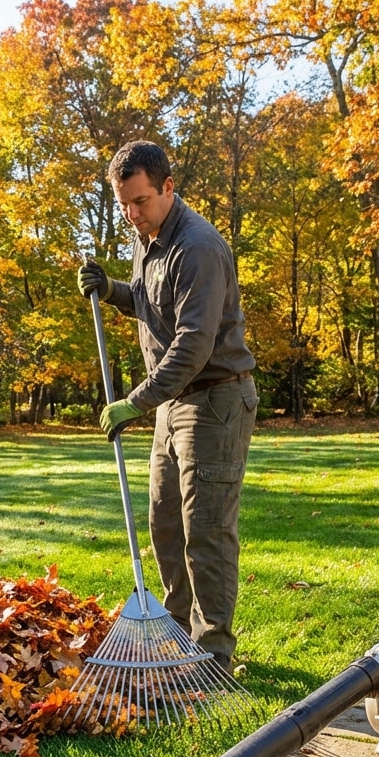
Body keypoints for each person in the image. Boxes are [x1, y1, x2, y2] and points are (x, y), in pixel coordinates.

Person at [77, 140, 257, 674]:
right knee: (165, 524)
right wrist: (112, 289)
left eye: (141, 201)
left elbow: (192, 344)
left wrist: (134, 402)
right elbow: (150, 303)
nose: (133, 214)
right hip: (172, 403)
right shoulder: (149, 240)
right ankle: (176, 635)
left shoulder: (197, 247)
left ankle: (213, 654)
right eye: (124, 204)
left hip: (215, 399)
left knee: (206, 531)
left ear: (168, 188)